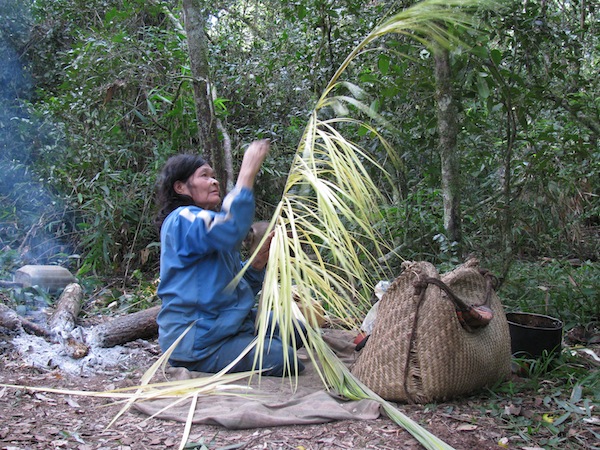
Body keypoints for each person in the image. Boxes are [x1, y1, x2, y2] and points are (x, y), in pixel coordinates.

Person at [154, 139, 305, 377]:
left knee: (297, 329)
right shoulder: (182, 219)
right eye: (204, 176)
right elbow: (230, 228)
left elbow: (233, 287)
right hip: (199, 341)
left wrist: (258, 263)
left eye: (213, 176)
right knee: (285, 359)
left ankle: (245, 344)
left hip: (226, 324)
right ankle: (207, 360)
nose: (213, 181)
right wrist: (247, 173)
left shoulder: (205, 224)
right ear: (181, 187)